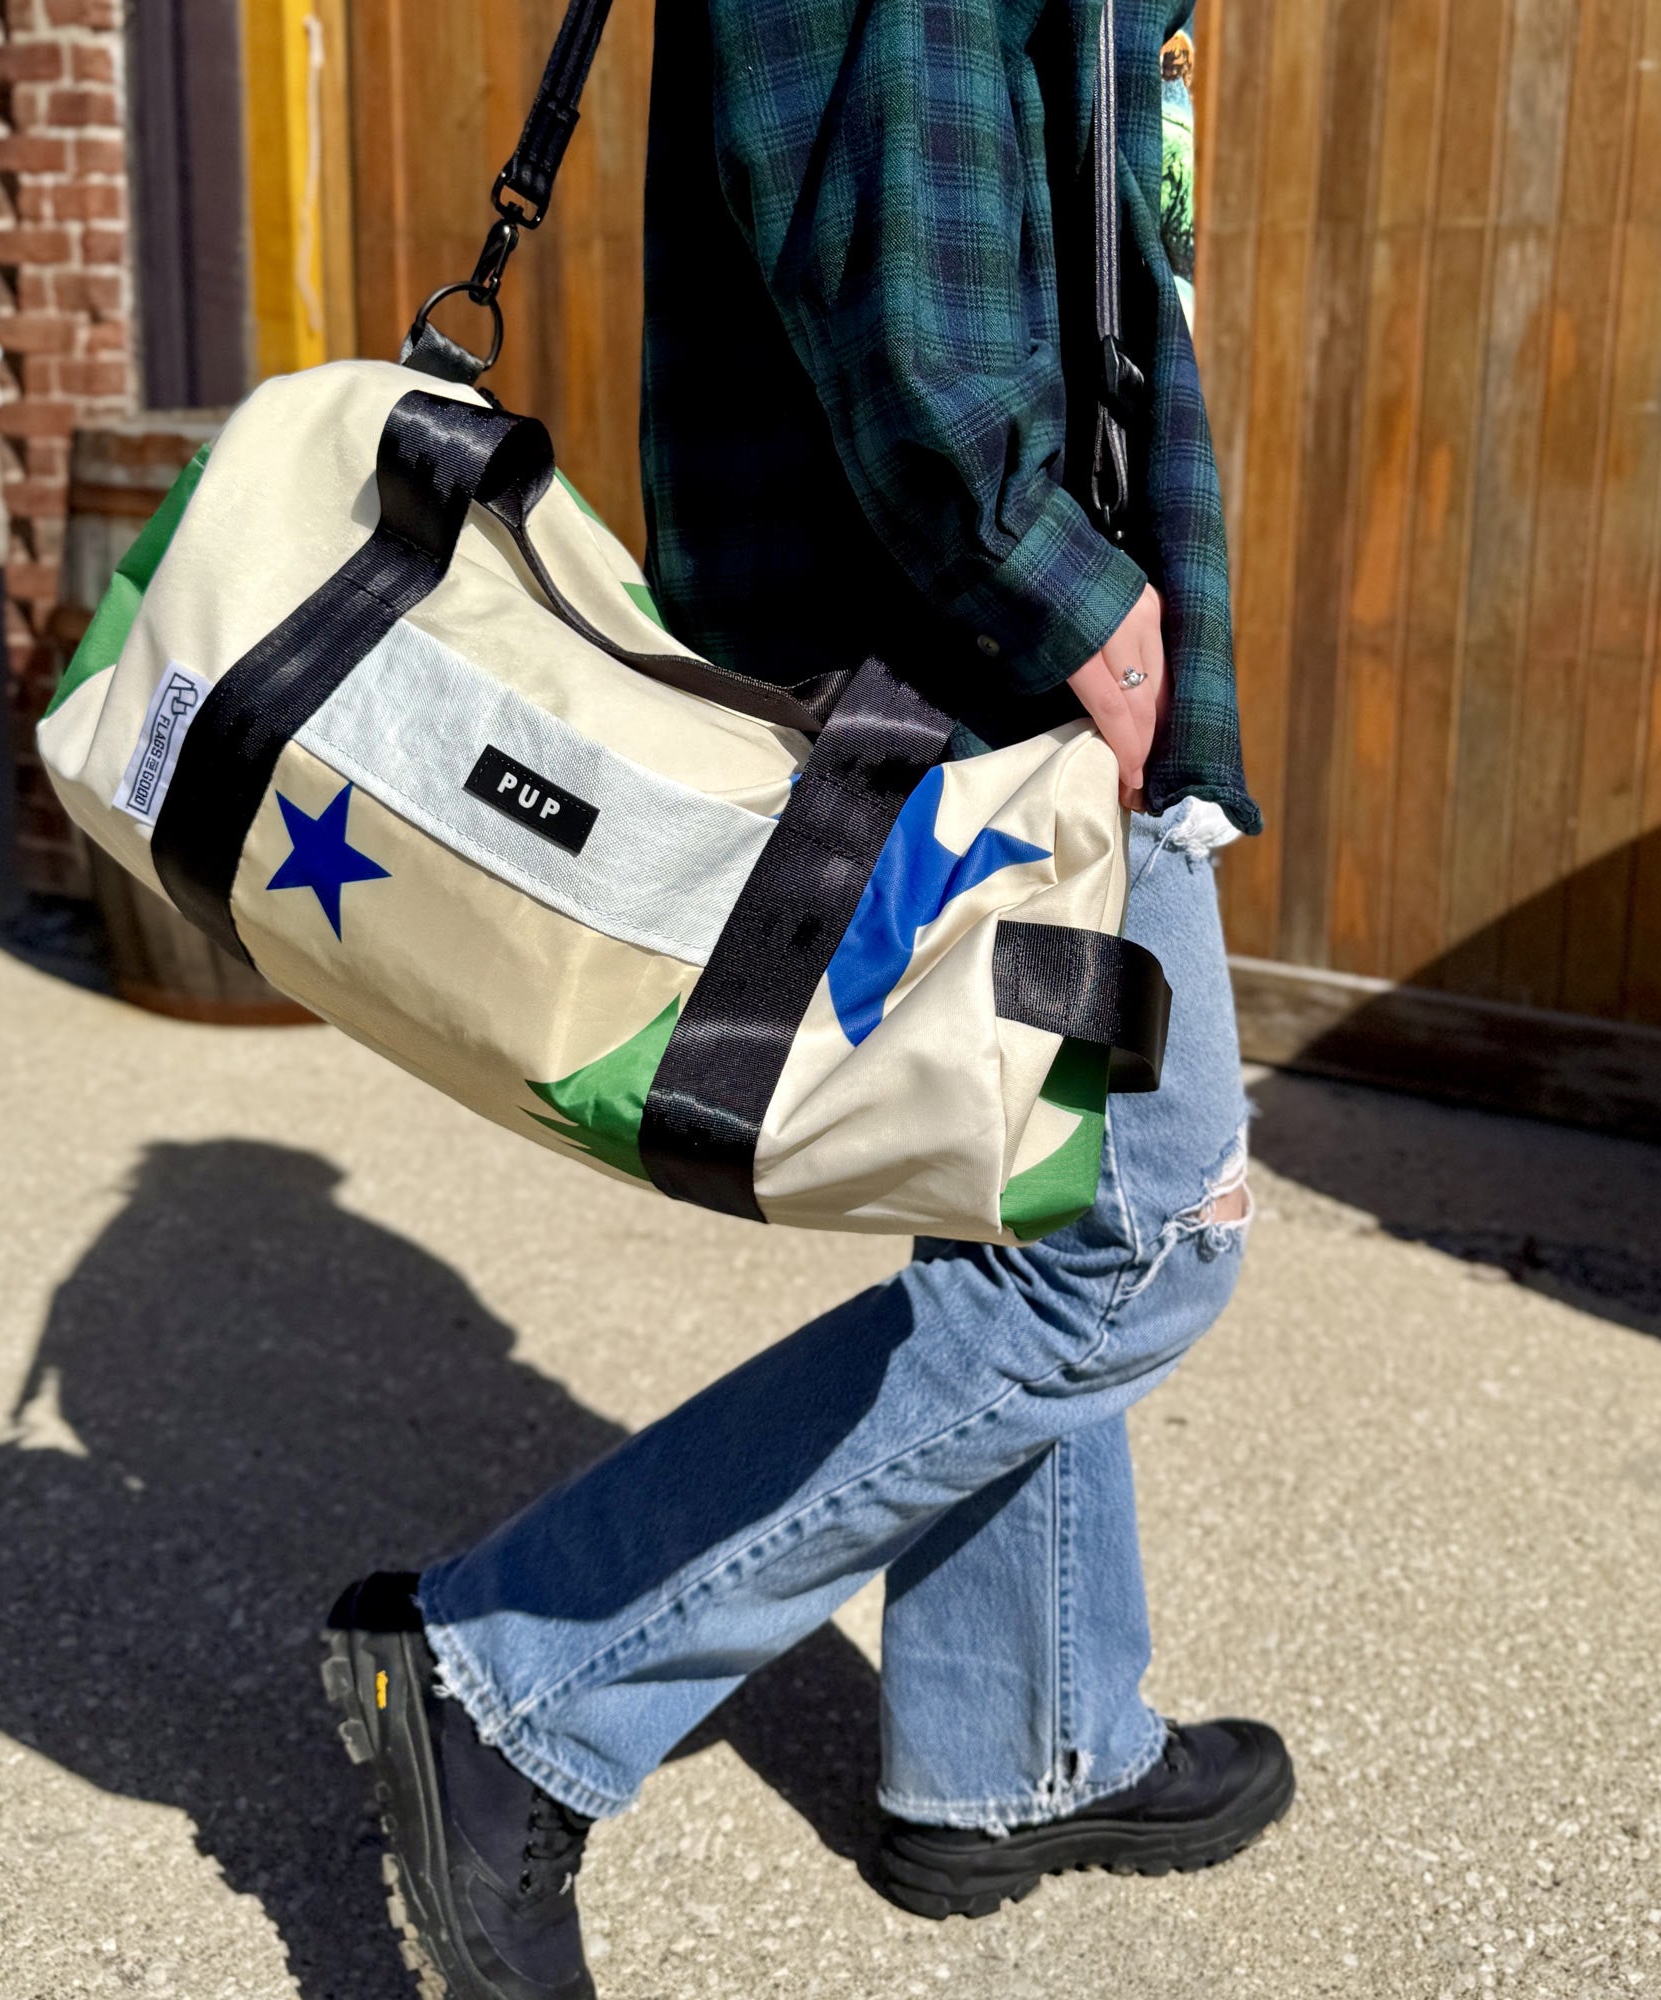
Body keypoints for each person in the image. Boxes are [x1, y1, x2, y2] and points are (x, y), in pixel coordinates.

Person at [322, 2, 1292, 1993]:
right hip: (992, 689)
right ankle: (508, 1678)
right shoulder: (1030, 625)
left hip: (1014, 654)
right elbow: (892, 237)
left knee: (1035, 1181)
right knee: (1135, 1231)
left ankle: (1014, 1744)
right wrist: (1070, 593)